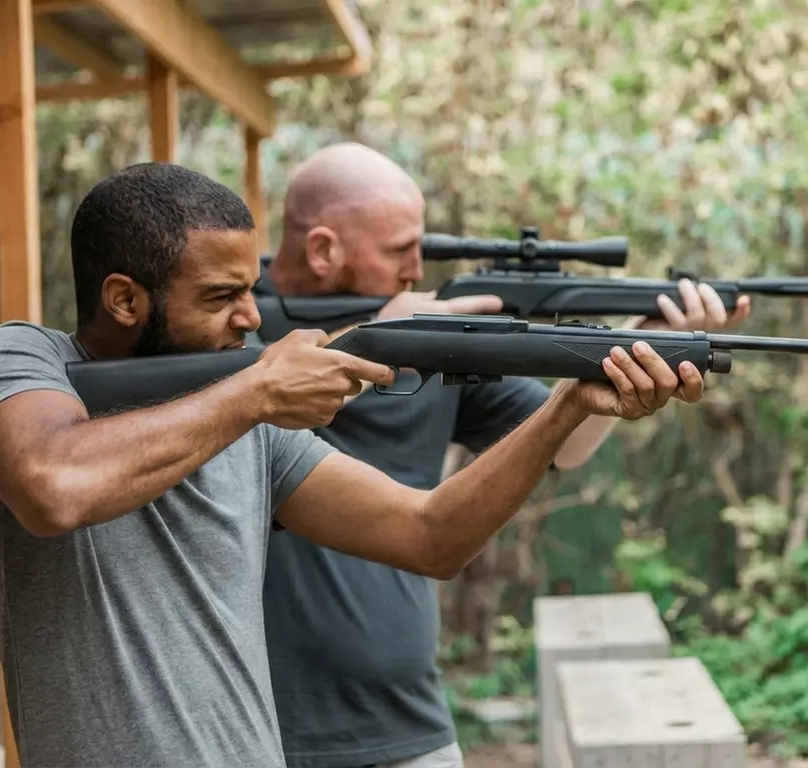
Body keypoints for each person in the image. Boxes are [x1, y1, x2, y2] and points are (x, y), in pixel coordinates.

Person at [0, 161, 707, 768]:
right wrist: (256, 392)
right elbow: (52, 488)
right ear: (124, 300)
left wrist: (567, 406)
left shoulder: (248, 417)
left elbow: (430, 535)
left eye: (252, 291)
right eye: (221, 297)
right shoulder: (22, 361)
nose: (252, 318)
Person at [257, 142, 752, 768]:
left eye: (422, 247)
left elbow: (564, 443)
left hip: (410, 722)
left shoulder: (427, 334)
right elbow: (222, 410)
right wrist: (366, 341)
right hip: (262, 729)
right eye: (399, 250)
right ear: (323, 250)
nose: (417, 268)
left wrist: (641, 346)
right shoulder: (229, 320)